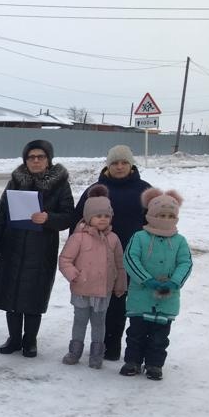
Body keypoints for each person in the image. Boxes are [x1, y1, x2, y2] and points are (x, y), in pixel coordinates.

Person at [0, 139, 74, 358]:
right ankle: (13, 338)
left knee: (34, 296)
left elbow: (69, 216)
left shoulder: (60, 184)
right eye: (31, 157)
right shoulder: (15, 181)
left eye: (40, 157)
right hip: (11, 247)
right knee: (10, 294)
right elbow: (1, 214)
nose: (35, 161)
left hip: (41, 250)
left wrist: (48, 218)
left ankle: (30, 340)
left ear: (48, 160)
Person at [71, 144, 151, 361]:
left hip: (130, 259)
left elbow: (154, 223)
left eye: (124, 162)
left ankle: (112, 348)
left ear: (131, 164)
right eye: (115, 163)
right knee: (95, 306)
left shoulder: (144, 190)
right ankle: (93, 345)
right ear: (108, 165)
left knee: (119, 303)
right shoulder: (96, 190)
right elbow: (77, 221)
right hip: (95, 260)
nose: (119, 166)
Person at [120, 188, 192, 381]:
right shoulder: (139, 237)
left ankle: (154, 364)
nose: (165, 218)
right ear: (150, 215)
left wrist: (174, 282)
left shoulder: (179, 241)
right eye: (161, 215)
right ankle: (132, 361)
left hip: (167, 298)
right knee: (136, 333)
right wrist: (146, 279)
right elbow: (130, 259)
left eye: (170, 215)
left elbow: (185, 262)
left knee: (160, 337)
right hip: (140, 297)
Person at [57, 185, 127, 368]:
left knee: (99, 323)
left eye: (106, 216)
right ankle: (75, 351)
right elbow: (65, 259)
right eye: (98, 216)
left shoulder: (114, 239)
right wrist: (74, 275)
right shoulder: (78, 237)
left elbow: (120, 265)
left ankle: (97, 353)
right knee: (79, 321)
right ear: (89, 217)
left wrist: (120, 284)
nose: (102, 219)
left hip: (103, 291)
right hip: (81, 289)